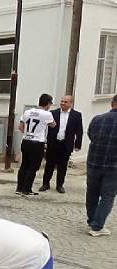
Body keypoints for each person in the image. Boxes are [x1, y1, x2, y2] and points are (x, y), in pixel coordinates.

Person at [85, 94, 117, 237]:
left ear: (112, 103)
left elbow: (90, 135)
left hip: (94, 162)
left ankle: (92, 220)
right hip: (113, 167)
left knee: (92, 193)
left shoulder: (97, 119)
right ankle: (97, 226)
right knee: (107, 196)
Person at [39, 95, 83, 194]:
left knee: (62, 166)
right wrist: (45, 141)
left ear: (71, 103)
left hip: (66, 143)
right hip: (53, 142)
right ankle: (45, 183)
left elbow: (79, 131)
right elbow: (45, 127)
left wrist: (77, 144)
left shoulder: (76, 115)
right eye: (62, 101)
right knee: (49, 164)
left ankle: (59, 185)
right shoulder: (53, 113)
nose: (62, 103)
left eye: (65, 102)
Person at [16, 94, 56, 196]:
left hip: (26, 140)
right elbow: (53, 125)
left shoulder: (27, 112)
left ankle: (19, 188)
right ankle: (27, 189)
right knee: (33, 166)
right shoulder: (47, 114)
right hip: (37, 142)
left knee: (24, 165)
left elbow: (20, 127)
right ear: (48, 104)